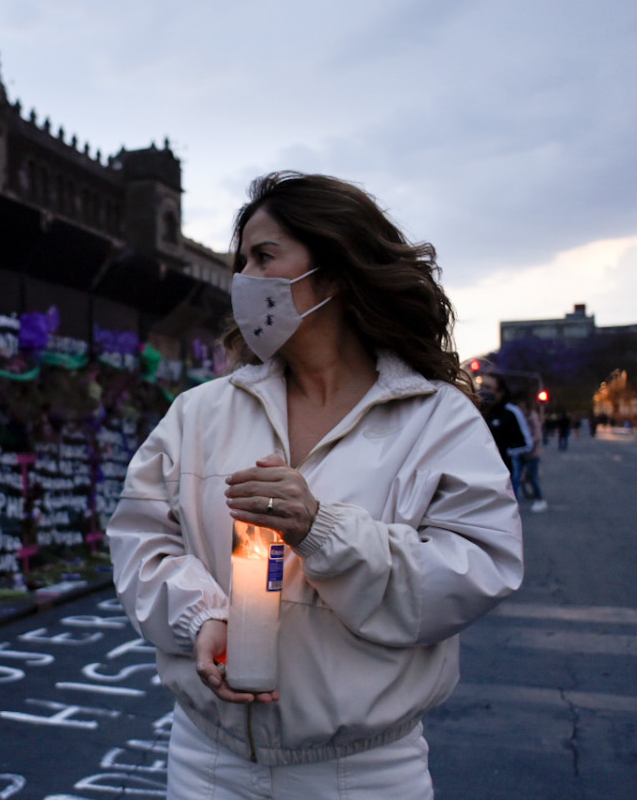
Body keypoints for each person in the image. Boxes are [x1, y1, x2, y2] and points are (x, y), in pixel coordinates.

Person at [108, 172, 523, 800]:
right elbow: (140, 539)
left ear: (334, 269)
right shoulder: (200, 411)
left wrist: (321, 531)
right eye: (239, 260)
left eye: (264, 256)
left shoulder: (435, 417)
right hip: (206, 765)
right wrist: (202, 616)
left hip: (362, 772)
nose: (243, 277)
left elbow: (477, 570)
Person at [476, 373, 533, 501]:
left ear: (500, 392)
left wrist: (503, 451)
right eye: (482, 387)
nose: (484, 391)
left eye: (489, 388)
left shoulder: (511, 412)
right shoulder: (475, 411)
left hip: (506, 471)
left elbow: (527, 444)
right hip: (479, 474)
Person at [519, 401, 548, 512]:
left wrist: (529, 443)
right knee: (519, 476)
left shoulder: (532, 417)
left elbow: (537, 434)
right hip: (523, 451)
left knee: (532, 477)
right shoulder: (522, 417)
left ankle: (539, 498)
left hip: (532, 452)